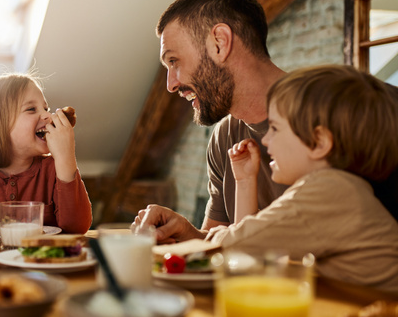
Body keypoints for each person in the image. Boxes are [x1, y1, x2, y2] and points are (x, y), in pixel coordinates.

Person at [134, 0, 398, 242]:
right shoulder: (225, 138)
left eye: (174, 61)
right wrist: (186, 234)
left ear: (219, 42)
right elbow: (229, 244)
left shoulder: (347, 113)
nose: (171, 84)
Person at [151, 65, 398, 292]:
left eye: (276, 129)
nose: (266, 140)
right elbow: (250, 255)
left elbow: (236, 246)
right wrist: (246, 182)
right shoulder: (338, 189)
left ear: (320, 142)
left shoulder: (331, 192)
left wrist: (149, 253)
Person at [0, 73, 92, 235]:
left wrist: (65, 158)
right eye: (31, 109)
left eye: (45, 108)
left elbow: (77, 228)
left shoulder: (56, 170)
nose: (48, 115)